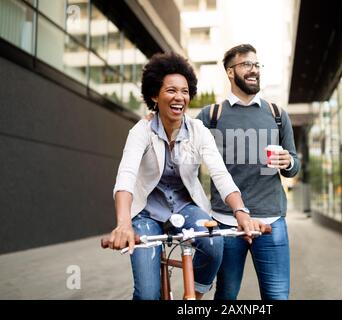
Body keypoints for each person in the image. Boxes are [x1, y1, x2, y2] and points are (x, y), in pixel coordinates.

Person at [105, 52, 264, 300]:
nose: (180, 97)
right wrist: (124, 223)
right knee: (147, 294)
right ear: (154, 96)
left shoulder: (198, 131)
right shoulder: (141, 131)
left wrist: (241, 212)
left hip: (185, 207)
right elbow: (125, 176)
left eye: (185, 91)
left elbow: (220, 174)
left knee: (214, 245)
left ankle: (193, 298)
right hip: (146, 212)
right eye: (171, 90)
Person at [196, 44, 300, 300]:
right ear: (230, 72)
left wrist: (288, 162)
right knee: (227, 295)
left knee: (277, 297)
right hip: (226, 222)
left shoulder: (277, 115)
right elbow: (182, 155)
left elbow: (294, 165)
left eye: (256, 65)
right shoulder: (211, 116)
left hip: (271, 222)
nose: (254, 70)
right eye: (246, 65)